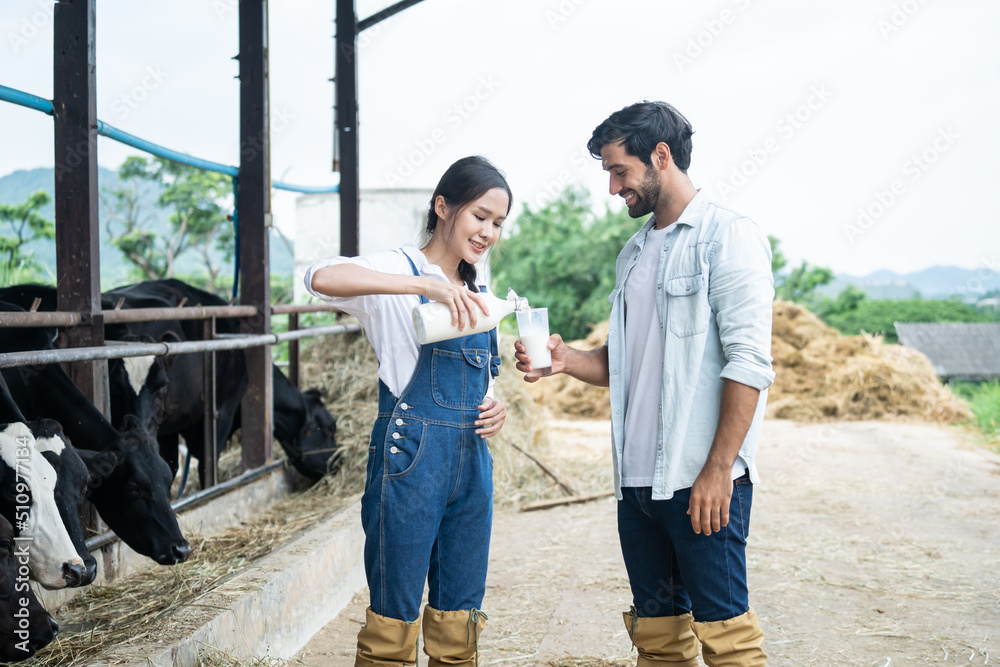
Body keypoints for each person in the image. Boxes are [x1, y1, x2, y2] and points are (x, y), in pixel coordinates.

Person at [515, 102, 774, 666]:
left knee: (727, 638)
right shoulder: (632, 253)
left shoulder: (728, 236)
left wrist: (716, 471)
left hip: (697, 480)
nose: (612, 188)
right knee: (657, 640)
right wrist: (565, 360)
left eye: (619, 170)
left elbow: (750, 363)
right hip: (636, 487)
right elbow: (626, 362)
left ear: (660, 156)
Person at [306, 155, 511, 667]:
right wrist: (425, 285)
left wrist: (496, 406)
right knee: (395, 615)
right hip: (410, 458)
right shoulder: (400, 267)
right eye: (479, 216)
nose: (488, 232)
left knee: (460, 614)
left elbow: (482, 377)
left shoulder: (482, 289)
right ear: (443, 207)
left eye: (498, 224)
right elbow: (320, 277)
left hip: (472, 462)